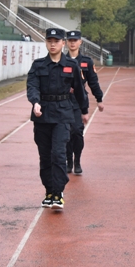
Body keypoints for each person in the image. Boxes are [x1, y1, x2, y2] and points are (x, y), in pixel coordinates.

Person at [26, 28, 89, 210]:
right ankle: (49, 192)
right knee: (45, 156)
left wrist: (84, 110)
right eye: (49, 41)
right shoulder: (38, 65)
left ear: (63, 43)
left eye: (56, 41)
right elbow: (32, 86)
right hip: (42, 114)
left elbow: (79, 90)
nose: (52, 44)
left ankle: (59, 191)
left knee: (58, 154)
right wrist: (35, 102)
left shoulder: (71, 65)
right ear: (46, 43)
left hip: (63, 114)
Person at [65, 30, 104, 175]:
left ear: (80, 42)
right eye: (70, 40)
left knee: (77, 132)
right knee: (66, 133)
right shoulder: (62, 60)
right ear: (66, 42)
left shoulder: (86, 62)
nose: (72, 43)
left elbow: (93, 82)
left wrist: (99, 99)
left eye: (75, 40)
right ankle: (68, 161)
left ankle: (77, 160)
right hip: (63, 101)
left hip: (79, 101)